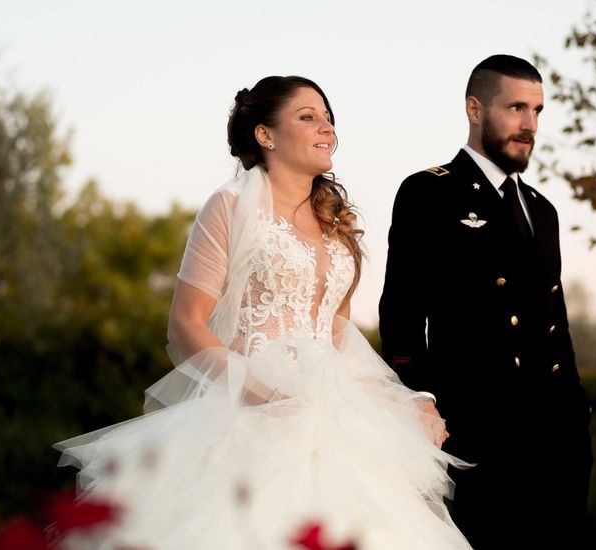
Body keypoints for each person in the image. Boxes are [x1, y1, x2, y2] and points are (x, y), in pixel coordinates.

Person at [54, 76, 472, 550]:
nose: (327, 128)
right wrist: (265, 395)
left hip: (333, 417)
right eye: (308, 116)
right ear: (265, 135)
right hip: (248, 414)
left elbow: (337, 331)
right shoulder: (230, 206)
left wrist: (405, 399)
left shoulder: (337, 220)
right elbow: (186, 323)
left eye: (329, 117)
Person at [379, 55, 592, 547]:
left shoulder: (544, 209)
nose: (530, 125)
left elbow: (555, 319)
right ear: (475, 109)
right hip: (477, 429)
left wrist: (577, 411)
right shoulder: (428, 192)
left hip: (559, 432)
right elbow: (401, 313)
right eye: (516, 108)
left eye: (537, 111)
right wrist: (420, 401)